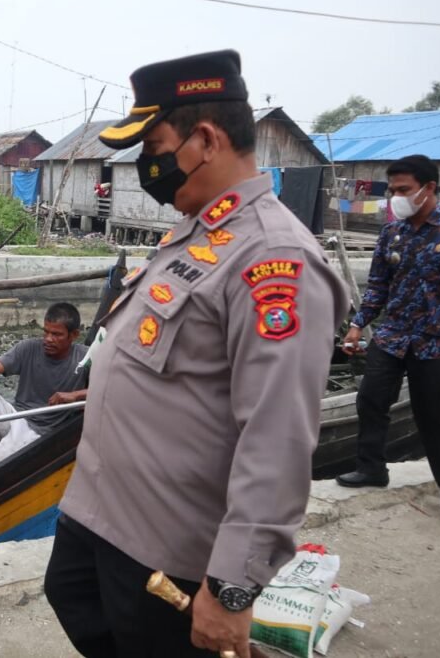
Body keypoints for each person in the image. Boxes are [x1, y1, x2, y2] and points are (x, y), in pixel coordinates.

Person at [43, 50, 348, 658]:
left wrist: (232, 588)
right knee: (72, 599)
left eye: (154, 146)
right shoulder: (197, 231)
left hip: (165, 546)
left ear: (205, 139)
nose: (146, 165)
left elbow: (277, 439)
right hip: (100, 511)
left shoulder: (272, 262)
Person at [336, 155, 440, 519]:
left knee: (435, 416)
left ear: (429, 188)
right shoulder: (392, 232)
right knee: (370, 399)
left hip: (437, 339)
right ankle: (371, 467)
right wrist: (358, 324)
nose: (395, 197)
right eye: (391, 190)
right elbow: (378, 287)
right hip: (393, 334)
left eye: (403, 189)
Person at [0, 302, 88, 470]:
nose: (48, 339)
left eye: (57, 334)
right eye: (46, 332)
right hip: (17, 416)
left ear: (74, 335)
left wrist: (75, 395)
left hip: (41, 430)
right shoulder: (29, 348)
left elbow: (111, 390)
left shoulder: (85, 357)